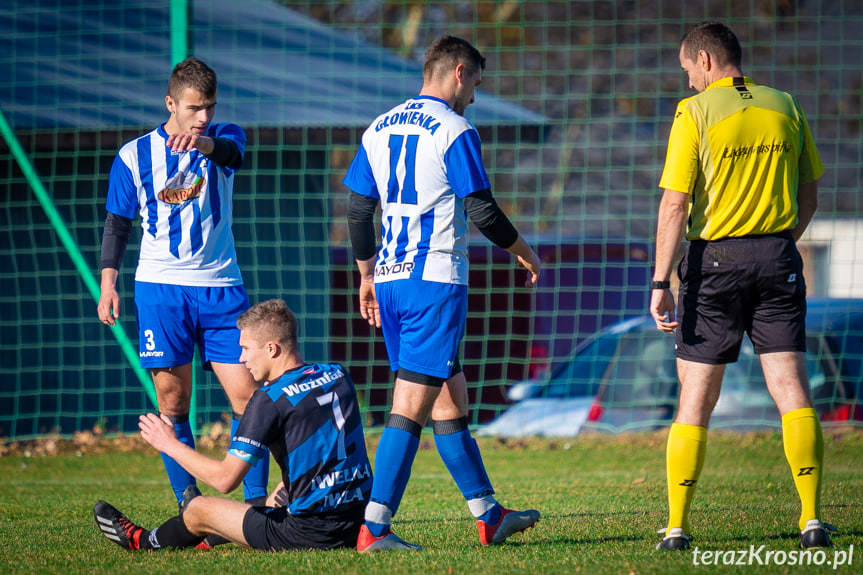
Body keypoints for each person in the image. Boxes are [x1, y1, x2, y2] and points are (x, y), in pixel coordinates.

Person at [343, 35, 542, 552]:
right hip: (433, 283)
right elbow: (482, 210)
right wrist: (525, 251)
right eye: (475, 80)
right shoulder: (456, 129)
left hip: (389, 279)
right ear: (458, 71)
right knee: (409, 409)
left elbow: (359, 211)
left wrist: (365, 275)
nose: (474, 94)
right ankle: (374, 529)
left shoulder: (377, 128)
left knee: (448, 403)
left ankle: (488, 515)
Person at [649, 22, 829, 551]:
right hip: (778, 254)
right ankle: (812, 520)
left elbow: (675, 204)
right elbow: (811, 194)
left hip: (716, 260)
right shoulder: (786, 104)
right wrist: (775, 242)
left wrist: (661, 280)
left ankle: (677, 528)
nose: (688, 85)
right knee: (792, 390)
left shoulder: (695, 113)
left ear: (705, 60)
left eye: (688, 72)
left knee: (696, 397)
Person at [96, 57, 269, 511]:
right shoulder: (133, 156)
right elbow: (117, 224)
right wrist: (107, 284)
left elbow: (232, 155)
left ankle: (255, 507)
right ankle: (189, 504)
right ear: (170, 102)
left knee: (250, 397)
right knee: (173, 400)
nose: (204, 116)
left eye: (209, 106)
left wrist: (205, 143)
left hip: (221, 287)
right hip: (161, 289)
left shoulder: (225, 137)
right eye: (194, 108)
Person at [94, 299, 372, 551]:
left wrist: (170, 444)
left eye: (245, 349)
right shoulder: (336, 373)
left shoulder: (269, 398)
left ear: (271, 349)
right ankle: (209, 538)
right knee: (277, 494)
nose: (241, 359)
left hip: (311, 534)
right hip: (359, 521)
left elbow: (225, 479)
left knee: (198, 509)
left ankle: (142, 541)